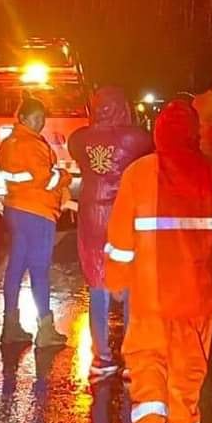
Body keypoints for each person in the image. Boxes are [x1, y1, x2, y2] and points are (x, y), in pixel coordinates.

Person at [104, 97, 212, 423]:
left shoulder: (138, 174)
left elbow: (120, 238)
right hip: (196, 294)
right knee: (188, 368)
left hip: (150, 292)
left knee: (146, 356)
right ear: (194, 134)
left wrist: (116, 279)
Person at [68, 86, 152, 381]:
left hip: (91, 214)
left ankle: (101, 358)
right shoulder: (135, 139)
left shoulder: (78, 139)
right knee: (129, 285)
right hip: (122, 214)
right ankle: (132, 358)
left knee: (97, 283)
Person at [0, 95, 68, 349]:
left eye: (42, 118)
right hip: (38, 212)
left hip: (15, 209)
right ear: (23, 118)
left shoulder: (7, 144)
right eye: (36, 118)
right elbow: (45, 179)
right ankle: (45, 330)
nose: (40, 123)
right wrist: (64, 177)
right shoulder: (33, 144)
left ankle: (10, 326)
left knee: (15, 268)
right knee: (39, 270)